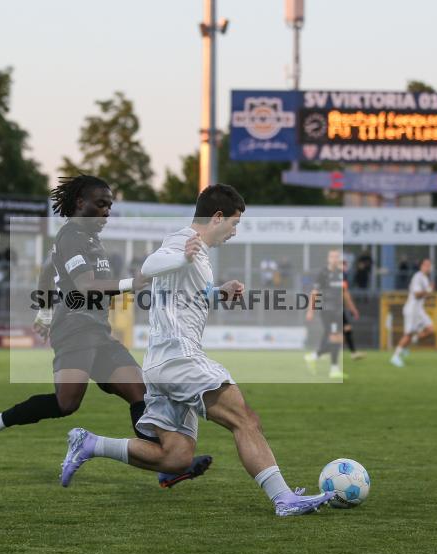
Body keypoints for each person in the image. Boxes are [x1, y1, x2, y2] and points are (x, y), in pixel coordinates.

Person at [58, 184, 334, 517]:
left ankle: (90, 443)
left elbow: (187, 295)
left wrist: (219, 292)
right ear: (216, 217)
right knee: (245, 419)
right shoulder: (182, 242)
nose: (234, 232)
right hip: (180, 357)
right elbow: (150, 265)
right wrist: (181, 255)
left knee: (176, 457)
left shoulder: (198, 253)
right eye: (233, 224)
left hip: (161, 363)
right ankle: (284, 499)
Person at [0, 175, 211, 489]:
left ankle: (165, 466)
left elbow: (47, 268)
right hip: (75, 329)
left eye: (109, 205)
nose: (106, 211)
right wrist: (129, 285)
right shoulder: (73, 235)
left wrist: (43, 309)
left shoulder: (86, 238)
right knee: (67, 403)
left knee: (140, 392)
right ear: (80, 203)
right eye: (101, 204)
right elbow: (85, 286)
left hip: (97, 331)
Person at [303, 250, 360, 379]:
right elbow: (314, 293)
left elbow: (345, 293)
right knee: (336, 338)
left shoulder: (342, 274)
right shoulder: (322, 273)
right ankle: (332, 368)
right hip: (327, 310)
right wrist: (310, 311)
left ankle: (314, 357)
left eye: (336, 257)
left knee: (338, 339)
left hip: (339, 310)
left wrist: (352, 308)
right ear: (328, 259)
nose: (334, 259)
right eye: (332, 256)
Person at [390, 258, 434, 368]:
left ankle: (406, 346)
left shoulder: (425, 278)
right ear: (421, 266)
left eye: (429, 265)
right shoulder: (418, 277)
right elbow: (416, 294)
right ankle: (395, 356)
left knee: (430, 329)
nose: (428, 267)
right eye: (426, 265)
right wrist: (428, 291)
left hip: (419, 310)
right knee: (408, 334)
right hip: (413, 309)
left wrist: (428, 290)